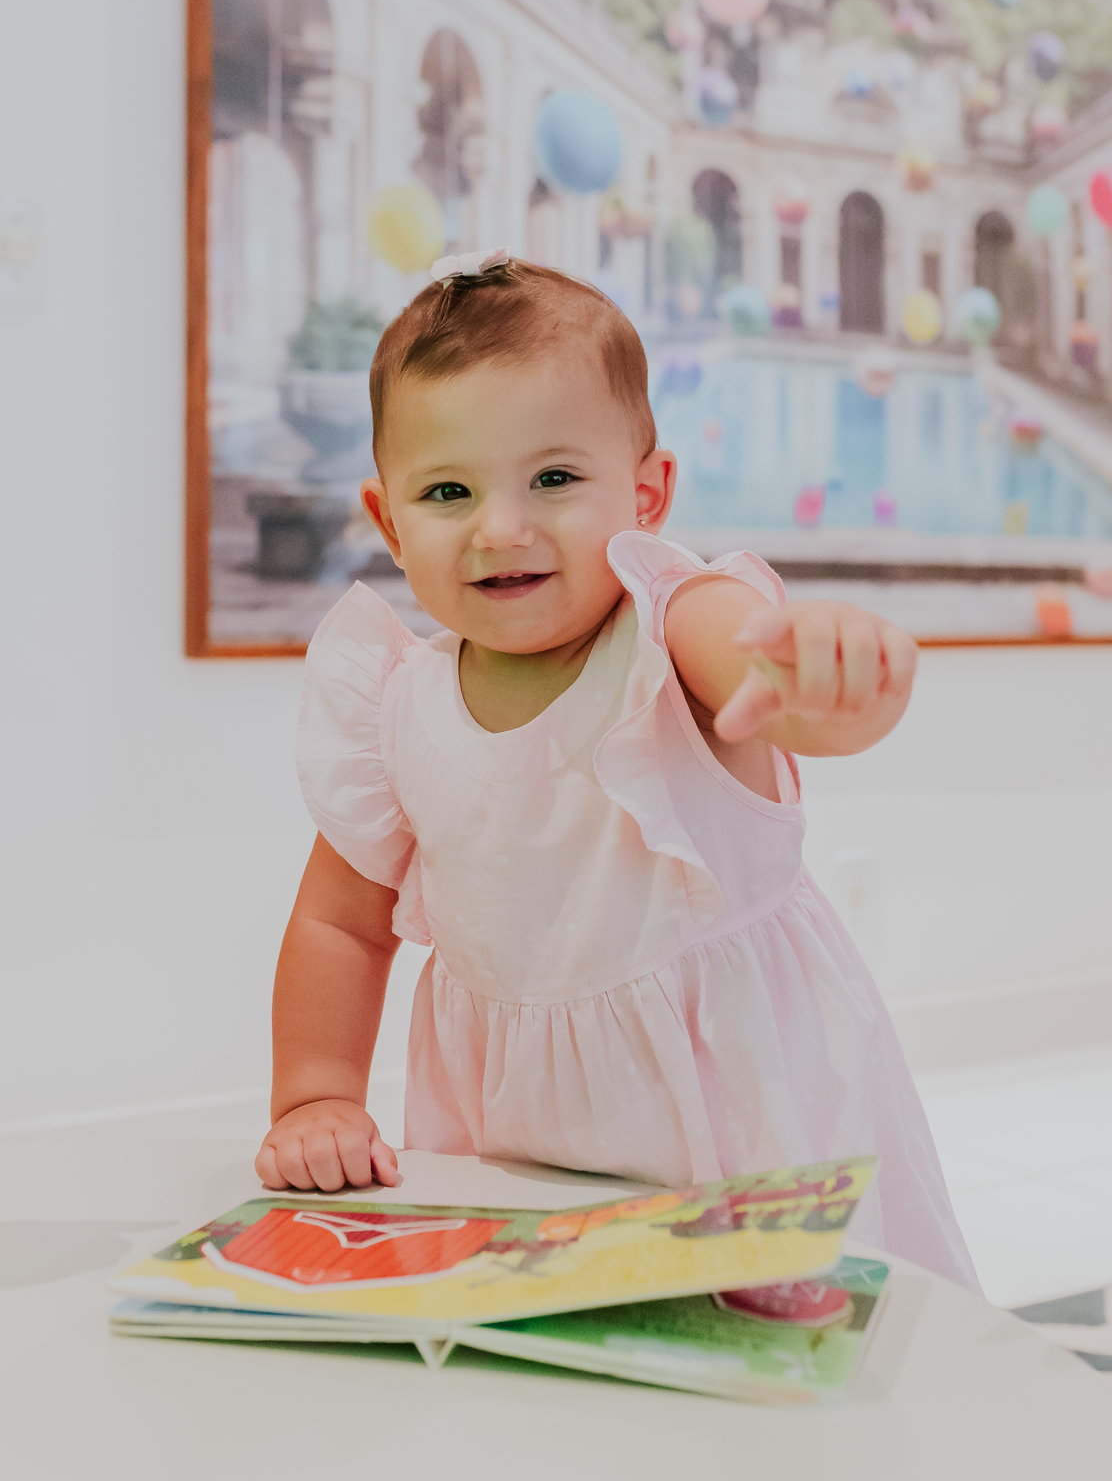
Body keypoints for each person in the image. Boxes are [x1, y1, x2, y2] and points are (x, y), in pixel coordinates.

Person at [256, 249, 979, 1293]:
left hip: (733, 1108)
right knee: (550, 1360)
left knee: (777, 1364)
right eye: (449, 490)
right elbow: (340, 920)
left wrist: (823, 676)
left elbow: (768, 679)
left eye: (554, 477)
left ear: (647, 496)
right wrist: (315, 1093)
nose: (503, 527)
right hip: (509, 1122)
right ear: (388, 522)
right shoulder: (392, 705)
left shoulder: (675, 627)